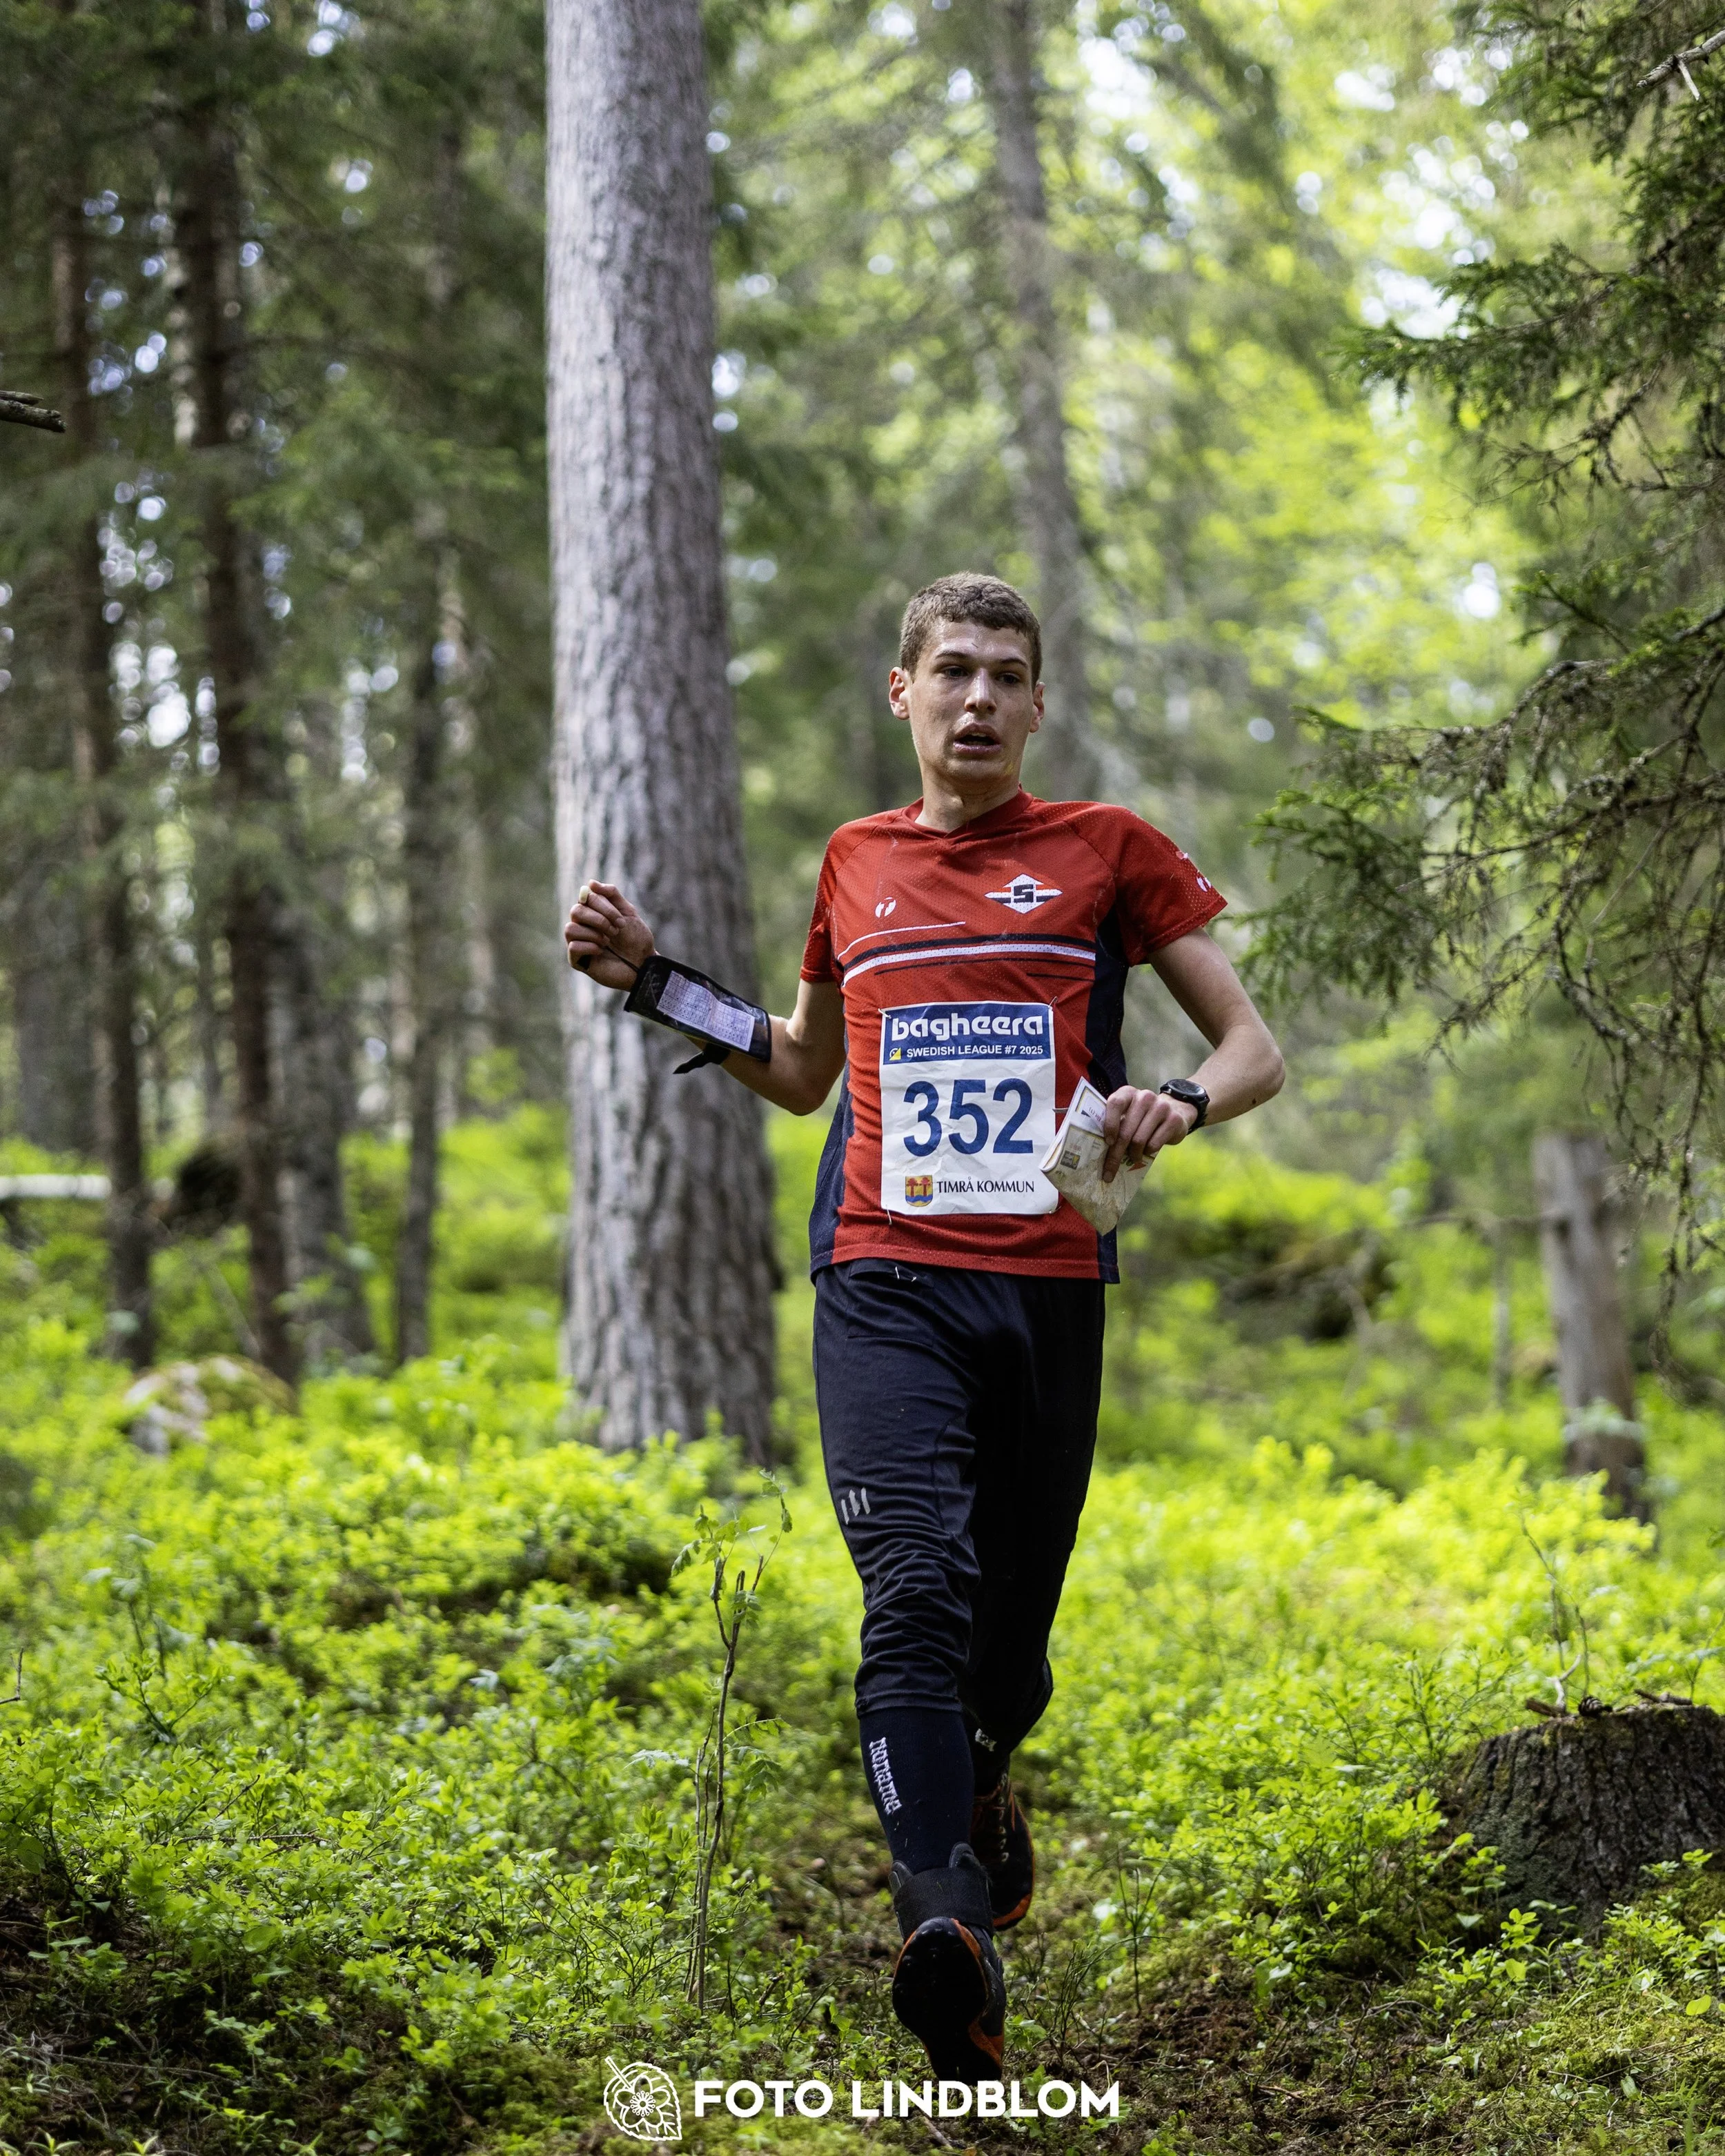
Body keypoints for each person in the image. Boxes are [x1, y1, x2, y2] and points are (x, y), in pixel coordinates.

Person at [564, 572, 1284, 2084]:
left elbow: (1251, 1045)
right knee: (911, 1589)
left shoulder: (1106, 852)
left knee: (1006, 1645)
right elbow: (800, 1067)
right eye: (948, 669)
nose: (974, 698)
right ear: (900, 692)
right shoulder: (852, 862)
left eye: (1003, 675)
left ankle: (987, 1774)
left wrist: (1182, 1101)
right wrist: (652, 985)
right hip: (882, 1279)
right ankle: (940, 1930)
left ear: (1034, 704)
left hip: (1045, 1288)